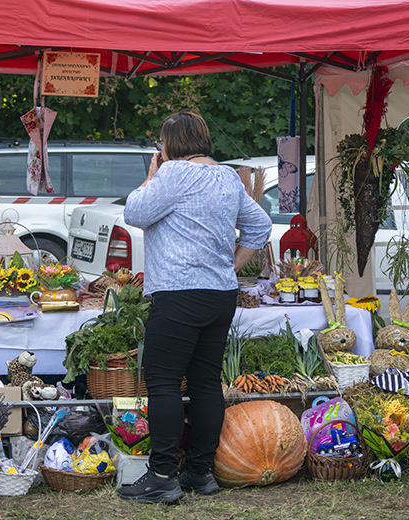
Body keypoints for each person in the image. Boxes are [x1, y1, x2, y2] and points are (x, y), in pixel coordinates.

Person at [118, 110, 272, 503]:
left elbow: (134, 212)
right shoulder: (227, 176)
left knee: (164, 382)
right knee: (205, 383)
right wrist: (230, 267)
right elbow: (260, 226)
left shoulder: (173, 173)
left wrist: (151, 175)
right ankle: (199, 473)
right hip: (219, 294)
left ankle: (162, 476)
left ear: (169, 144)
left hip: (179, 292)